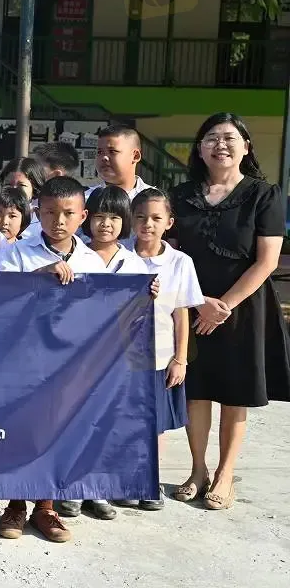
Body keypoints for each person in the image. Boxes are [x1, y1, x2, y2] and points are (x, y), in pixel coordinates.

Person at [168, 112, 290, 510]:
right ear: (199, 149)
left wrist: (223, 307)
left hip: (244, 309)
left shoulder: (264, 194)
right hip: (191, 304)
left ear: (246, 147)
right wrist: (198, 302)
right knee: (196, 390)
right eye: (211, 138)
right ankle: (197, 470)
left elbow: (267, 261)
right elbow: (171, 253)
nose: (220, 144)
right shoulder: (181, 195)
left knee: (235, 392)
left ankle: (225, 474)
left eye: (229, 138)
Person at [0, 175, 104, 543]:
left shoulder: (92, 260)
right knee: (20, 430)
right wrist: (37, 277)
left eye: (68, 213)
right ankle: (15, 504)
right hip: (23, 360)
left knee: (58, 430)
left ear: (83, 216)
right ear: (37, 213)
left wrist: (144, 292)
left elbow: (107, 308)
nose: (59, 220)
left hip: (69, 363)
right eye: (50, 212)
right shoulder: (16, 253)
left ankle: (46, 507)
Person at [53, 185, 151, 521]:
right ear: (86, 219)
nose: (106, 224)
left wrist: (149, 293)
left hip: (117, 357)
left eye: (114, 217)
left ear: (125, 222)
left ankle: (97, 489)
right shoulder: (77, 256)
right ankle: (71, 488)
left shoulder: (135, 263)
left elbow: (140, 312)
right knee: (74, 420)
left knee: (106, 422)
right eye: (99, 216)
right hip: (76, 354)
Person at [120, 187, 204, 511]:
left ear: (169, 222)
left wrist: (180, 359)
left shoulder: (179, 262)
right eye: (141, 217)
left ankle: (148, 479)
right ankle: (124, 479)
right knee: (124, 419)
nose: (148, 224)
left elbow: (181, 314)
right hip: (120, 357)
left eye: (156, 218)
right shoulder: (118, 255)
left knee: (153, 424)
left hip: (159, 355)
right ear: (131, 219)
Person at [89, 125, 150, 201]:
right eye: (99, 152)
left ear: (135, 156)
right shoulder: (84, 199)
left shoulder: (154, 201)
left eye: (112, 151)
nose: (104, 158)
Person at [0, 157, 46, 241]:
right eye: (8, 184)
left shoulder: (42, 220)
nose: (14, 189)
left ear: (34, 188)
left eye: (21, 185)